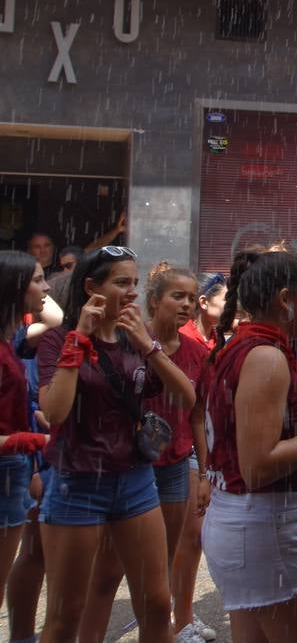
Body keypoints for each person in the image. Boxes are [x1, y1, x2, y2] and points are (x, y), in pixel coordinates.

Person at [36, 246, 196, 643]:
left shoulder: (134, 340)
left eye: (135, 284)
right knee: (65, 614)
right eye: (121, 283)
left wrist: (147, 344)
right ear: (92, 287)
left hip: (135, 480)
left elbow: (186, 396)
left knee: (157, 604)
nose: (131, 293)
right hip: (77, 481)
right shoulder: (58, 340)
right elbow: (55, 412)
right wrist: (80, 339)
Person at [200, 250, 297, 642]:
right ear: (286, 300)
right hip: (265, 528)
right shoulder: (266, 357)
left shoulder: (248, 347)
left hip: (254, 525)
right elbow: (257, 466)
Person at [79, 266, 209, 643]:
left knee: (158, 571)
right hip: (128, 465)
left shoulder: (197, 352)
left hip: (174, 466)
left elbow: (197, 414)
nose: (186, 305)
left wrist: (205, 471)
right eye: (177, 296)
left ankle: (159, 630)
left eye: (190, 297)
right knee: (107, 569)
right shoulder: (125, 339)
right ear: (154, 300)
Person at [0, 254, 48, 621]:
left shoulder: (9, 339)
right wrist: (39, 443)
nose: (46, 288)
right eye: (38, 279)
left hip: (15, 468)